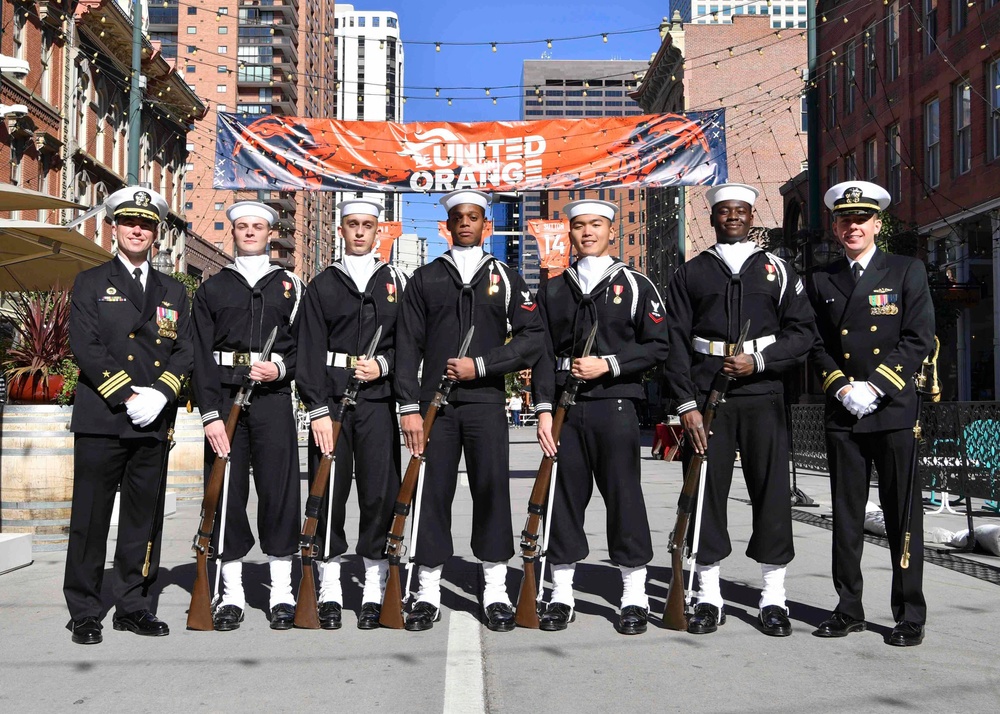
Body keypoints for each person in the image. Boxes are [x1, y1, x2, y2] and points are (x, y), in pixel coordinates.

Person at [663, 183, 815, 637]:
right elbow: (672, 342)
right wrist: (686, 404)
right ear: (711, 218)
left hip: (762, 391)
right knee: (705, 491)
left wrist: (760, 360)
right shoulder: (690, 273)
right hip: (707, 397)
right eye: (724, 211)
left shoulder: (779, 270)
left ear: (752, 216)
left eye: (741, 211)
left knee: (770, 492)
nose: (732, 217)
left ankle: (773, 597)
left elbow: (803, 333)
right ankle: (708, 594)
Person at [395, 189, 545, 632]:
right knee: (431, 493)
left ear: (487, 225)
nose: (465, 223)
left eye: (474, 216)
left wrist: (483, 365)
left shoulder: (508, 276)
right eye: (457, 216)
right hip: (433, 406)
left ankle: (495, 588)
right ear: (447, 225)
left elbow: (532, 338)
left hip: (484, 401)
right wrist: (408, 406)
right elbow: (407, 345)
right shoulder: (425, 278)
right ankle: (427, 590)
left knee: (492, 489)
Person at [532, 199, 670, 635]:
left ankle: (633, 595)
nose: (587, 232)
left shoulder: (636, 284)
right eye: (579, 226)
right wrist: (541, 409)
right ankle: (562, 593)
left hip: (615, 405)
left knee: (624, 497)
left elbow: (657, 345)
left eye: (596, 225)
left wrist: (608, 364)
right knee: (564, 500)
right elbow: (540, 352)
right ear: (569, 233)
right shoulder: (554, 289)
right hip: (566, 412)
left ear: (613, 231)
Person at [63, 186, 193, 644]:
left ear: (155, 234)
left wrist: (160, 394)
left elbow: (185, 350)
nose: (138, 231)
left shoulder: (173, 289)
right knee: (91, 518)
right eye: (129, 223)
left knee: (143, 519)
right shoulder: (90, 282)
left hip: (152, 421)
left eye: (147, 225)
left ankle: (134, 605)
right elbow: (85, 346)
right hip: (103, 417)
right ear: (113, 228)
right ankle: (84, 609)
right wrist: (126, 395)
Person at [808, 181, 934, 647]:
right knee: (846, 514)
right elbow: (815, 343)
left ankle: (909, 612)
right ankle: (848, 607)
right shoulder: (820, 279)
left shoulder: (905, 270)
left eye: (861, 219)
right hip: (845, 413)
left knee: (903, 514)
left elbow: (918, 338)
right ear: (836, 227)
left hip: (895, 409)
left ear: (878, 223)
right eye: (844, 220)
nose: (853, 226)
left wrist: (876, 386)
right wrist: (842, 387)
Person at [191, 201, 304, 631]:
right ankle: (231, 593)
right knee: (227, 494)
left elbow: (302, 348)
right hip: (224, 401)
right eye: (243, 226)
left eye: (259, 226)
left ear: (271, 233)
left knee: (279, 493)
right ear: (233, 232)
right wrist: (208, 414)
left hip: (273, 401)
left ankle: (281, 591)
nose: (251, 232)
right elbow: (198, 355)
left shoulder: (291, 285)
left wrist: (280, 368)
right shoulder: (213, 288)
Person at [295, 198, 405, 630]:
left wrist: (385, 365)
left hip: (376, 402)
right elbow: (308, 351)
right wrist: (317, 409)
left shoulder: (396, 281)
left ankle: (375, 588)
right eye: (352, 225)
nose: (360, 232)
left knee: (379, 493)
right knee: (328, 494)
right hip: (332, 405)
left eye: (367, 225)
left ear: (379, 230)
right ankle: (331, 589)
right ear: (341, 230)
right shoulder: (323, 284)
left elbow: (411, 343)